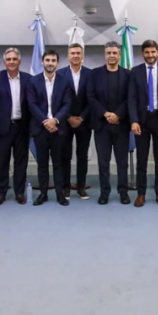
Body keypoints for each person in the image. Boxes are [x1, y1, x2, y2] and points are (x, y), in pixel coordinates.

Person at [128, 40, 158, 208]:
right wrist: (133, 120)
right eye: (147, 52)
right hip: (142, 121)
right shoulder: (135, 72)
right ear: (142, 54)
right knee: (141, 159)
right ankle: (141, 194)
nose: (150, 55)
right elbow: (131, 98)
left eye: (153, 52)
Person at [87, 41, 131, 205]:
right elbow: (90, 97)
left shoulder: (128, 75)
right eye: (109, 53)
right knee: (103, 162)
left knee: (122, 162)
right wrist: (105, 114)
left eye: (114, 53)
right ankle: (104, 192)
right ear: (105, 55)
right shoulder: (94, 74)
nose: (111, 55)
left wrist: (118, 114)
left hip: (121, 125)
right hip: (102, 125)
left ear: (120, 55)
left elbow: (130, 98)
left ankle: (123, 192)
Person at [0, 47, 32, 205]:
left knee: (21, 162)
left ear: (19, 61)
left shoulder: (28, 79)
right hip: (2, 128)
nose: (11, 62)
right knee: (2, 162)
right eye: (8, 59)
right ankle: (1, 193)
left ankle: (19, 192)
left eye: (14, 59)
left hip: (22, 127)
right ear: (4, 62)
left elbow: (32, 104)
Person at [28, 50, 72, 206]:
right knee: (42, 163)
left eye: (53, 60)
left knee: (58, 163)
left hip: (58, 129)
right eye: (47, 60)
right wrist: (46, 121)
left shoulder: (65, 81)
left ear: (57, 63)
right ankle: (43, 193)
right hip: (40, 129)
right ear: (42, 61)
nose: (50, 63)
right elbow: (32, 104)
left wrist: (55, 120)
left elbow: (67, 104)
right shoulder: (33, 81)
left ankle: (60, 194)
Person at [58, 43, 92, 200]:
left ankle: (81, 187)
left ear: (82, 55)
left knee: (82, 155)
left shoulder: (90, 74)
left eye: (78, 53)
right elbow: (57, 99)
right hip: (65, 121)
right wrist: (68, 117)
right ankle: (66, 187)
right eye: (73, 53)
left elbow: (92, 98)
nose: (76, 55)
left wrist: (82, 117)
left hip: (84, 121)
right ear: (68, 56)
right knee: (65, 155)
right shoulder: (60, 74)